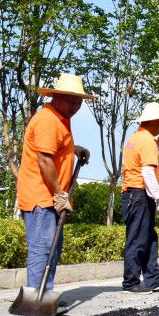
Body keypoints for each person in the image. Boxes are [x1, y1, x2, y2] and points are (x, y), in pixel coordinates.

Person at [17, 73, 96, 293]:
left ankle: (45, 293)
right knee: (42, 249)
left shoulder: (60, 120)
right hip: (41, 197)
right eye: (71, 100)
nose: (75, 106)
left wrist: (74, 149)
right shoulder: (48, 120)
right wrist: (60, 193)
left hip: (51, 198)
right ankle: (36, 297)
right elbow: (44, 159)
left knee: (53, 249)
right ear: (56, 96)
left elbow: (55, 149)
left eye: (79, 102)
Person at [121, 102, 159, 293]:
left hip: (134, 194)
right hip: (139, 194)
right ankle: (131, 282)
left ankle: (153, 279)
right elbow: (147, 174)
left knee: (149, 238)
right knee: (137, 239)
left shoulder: (137, 138)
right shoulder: (146, 142)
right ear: (153, 121)